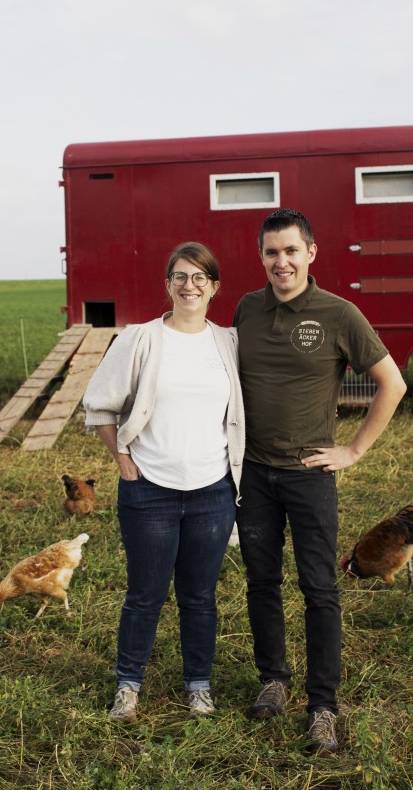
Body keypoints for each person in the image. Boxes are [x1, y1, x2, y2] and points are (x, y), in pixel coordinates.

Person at [233, 208, 406, 754]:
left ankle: (323, 706)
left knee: (320, 589)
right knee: (261, 583)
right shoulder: (247, 309)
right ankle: (273, 679)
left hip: (309, 477)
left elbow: (392, 383)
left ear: (311, 252)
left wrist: (353, 450)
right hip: (254, 475)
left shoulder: (338, 314)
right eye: (271, 252)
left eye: (290, 250)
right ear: (261, 257)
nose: (280, 261)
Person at [81, 242, 244, 723]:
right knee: (144, 594)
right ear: (167, 284)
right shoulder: (142, 338)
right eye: (180, 276)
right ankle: (128, 687)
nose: (189, 285)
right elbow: (100, 403)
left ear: (215, 287)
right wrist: (121, 459)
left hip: (213, 491)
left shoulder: (229, 342)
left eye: (199, 277)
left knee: (199, 596)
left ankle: (199, 686)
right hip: (149, 490)